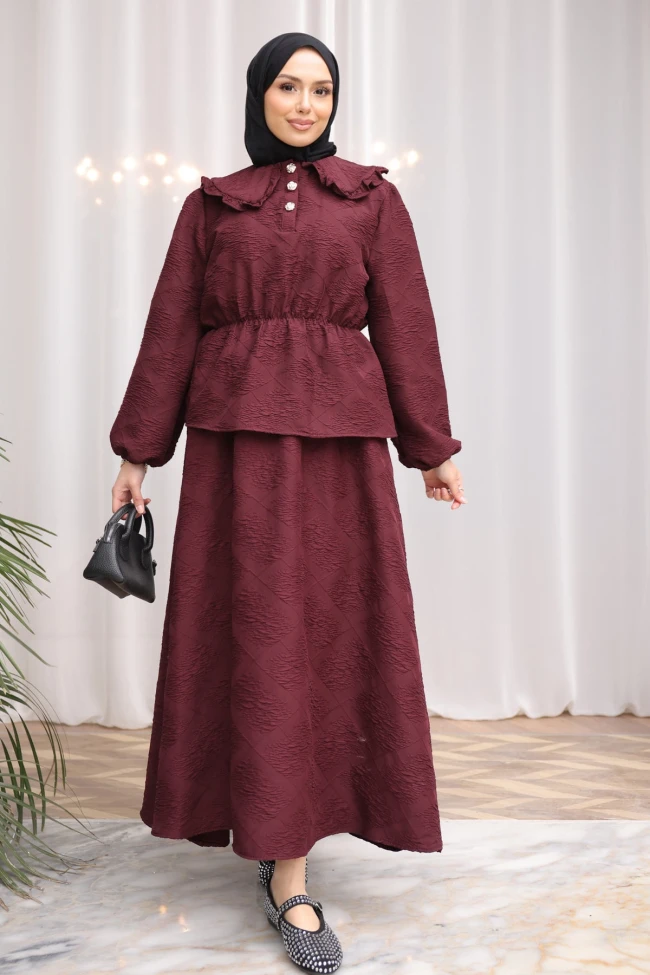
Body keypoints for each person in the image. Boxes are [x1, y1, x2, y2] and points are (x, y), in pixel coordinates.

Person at [109, 31, 466, 974]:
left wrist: (431, 447)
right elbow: (171, 328)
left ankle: (292, 860)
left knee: (330, 634)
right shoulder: (212, 205)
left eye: (320, 90)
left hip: (343, 451)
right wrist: (138, 452)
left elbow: (407, 323)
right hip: (234, 453)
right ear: (259, 95)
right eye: (287, 87)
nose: (305, 105)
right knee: (254, 635)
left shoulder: (372, 200)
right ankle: (278, 852)